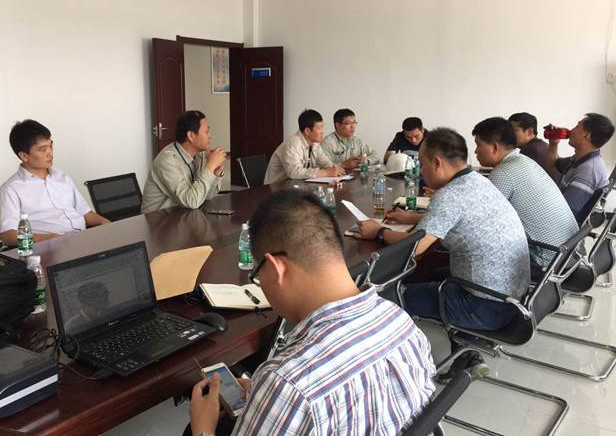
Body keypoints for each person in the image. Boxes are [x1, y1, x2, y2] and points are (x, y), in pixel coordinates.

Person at [189, 189, 436, 436]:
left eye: (258, 275)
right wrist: (264, 393)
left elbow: (297, 390)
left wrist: (203, 427)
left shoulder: (287, 383)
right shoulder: (401, 322)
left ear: (276, 268)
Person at [356, 128, 530, 380]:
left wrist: (379, 232)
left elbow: (413, 248)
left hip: (485, 306)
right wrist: (414, 218)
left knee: (388, 298)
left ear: (436, 162)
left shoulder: (450, 195)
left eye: (422, 164)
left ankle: (390, 372)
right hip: (513, 298)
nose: (421, 171)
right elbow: (453, 220)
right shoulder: (478, 181)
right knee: (434, 272)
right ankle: (467, 354)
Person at [472, 117, 578, 273]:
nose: (475, 151)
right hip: (568, 255)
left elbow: (478, 219)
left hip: (547, 261)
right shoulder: (524, 161)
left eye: (478, 145)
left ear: (494, 147)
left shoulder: (504, 172)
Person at [0, 119, 109, 246]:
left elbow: (85, 213)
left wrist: (108, 225)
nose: (50, 153)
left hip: (82, 240)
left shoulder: (61, 176)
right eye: (43, 150)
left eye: (51, 146)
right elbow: (9, 236)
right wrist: (52, 239)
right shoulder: (10, 190)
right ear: (24, 156)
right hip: (49, 249)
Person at [141, 110, 225, 213]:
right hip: (158, 219)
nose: (210, 136)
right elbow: (192, 201)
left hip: (182, 215)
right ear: (191, 136)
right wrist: (210, 167)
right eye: (206, 131)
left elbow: (206, 196)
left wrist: (216, 172)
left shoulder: (200, 155)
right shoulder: (167, 161)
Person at [546, 113, 614, 219]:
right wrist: (553, 143)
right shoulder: (580, 159)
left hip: (561, 223)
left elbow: (565, 215)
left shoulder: (588, 171)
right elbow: (552, 164)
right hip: (557, 215)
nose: (572, 130)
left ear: (587, 135)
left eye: (577, 126)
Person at [264, 109, 345, 184]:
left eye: (322, 127)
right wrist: (326, 172)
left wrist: (337, 170)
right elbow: (294, 172)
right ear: (307, 131)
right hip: (276, 187)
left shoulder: (315, 144)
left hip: (296, 185)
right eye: (319, 128)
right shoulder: (293, 143)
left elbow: (325, 162)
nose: (322, 132)